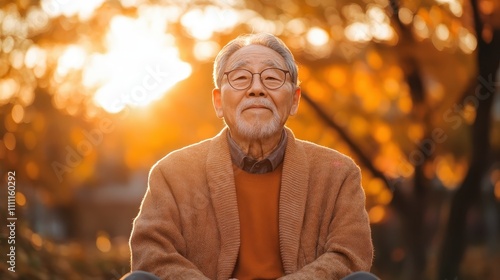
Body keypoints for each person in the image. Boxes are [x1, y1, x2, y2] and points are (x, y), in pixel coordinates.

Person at [122, 33, 377, 280]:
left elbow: (350, 254)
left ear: (295, 100)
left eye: (272, 77)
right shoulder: (172, 173)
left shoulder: (338, 173)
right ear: (219, 102)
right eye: (241, 78)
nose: (257, 89)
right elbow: (150, 253)